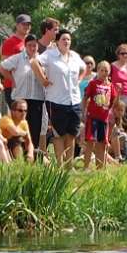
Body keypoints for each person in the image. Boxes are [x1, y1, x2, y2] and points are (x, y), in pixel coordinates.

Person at [32, 29, 86, 163]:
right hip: (56, 101)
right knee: (59, 135)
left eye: (68, 39)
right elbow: (34, 63)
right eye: (63, 39)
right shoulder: (50, 55)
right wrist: (43, 80)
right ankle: (60, 166)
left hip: (74, 100)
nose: (66, 41)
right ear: (57, 42)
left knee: (71, 134)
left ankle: (69, 165)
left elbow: (84, 68)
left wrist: (79, 80)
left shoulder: (74, 56)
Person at [0, 37, 47, 156]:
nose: (32, 48)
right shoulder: (18, 58)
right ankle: (17, 153)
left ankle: (32, 153)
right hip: (21, 98)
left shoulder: (42, 59)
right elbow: (1, 67)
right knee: (18, 127)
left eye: (34, 45)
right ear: (25, 46)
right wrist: (11, 79)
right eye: (30, 45)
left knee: (35, 127)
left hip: (37, 98)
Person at [83, 60, 116, 169]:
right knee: (90, 142)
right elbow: (85, 98)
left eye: (106, 71)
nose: (104, 73)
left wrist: (118, 93)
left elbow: (113, 101)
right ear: (97, 71)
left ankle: (100, 167)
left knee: (102, 144)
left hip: (104, 119)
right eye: (102, 70)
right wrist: (84, 111)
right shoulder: (93, 83)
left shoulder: (111, 86)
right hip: (93, 117)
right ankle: (86, 166)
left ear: (109, 72)